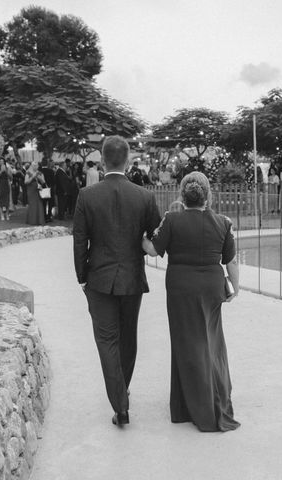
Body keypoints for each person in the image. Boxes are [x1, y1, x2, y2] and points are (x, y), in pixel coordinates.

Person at [73, 136, 162, 427]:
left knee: (107, 341)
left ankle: (121, 405)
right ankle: (121, 396)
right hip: (132, 279)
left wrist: (82, 278)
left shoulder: (87, 196)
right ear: (127, 160)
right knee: (128, 339)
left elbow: (80, 241)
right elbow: (156, 237)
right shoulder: (144, 196)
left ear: (102, 159)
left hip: (99, 280)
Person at [142, 172, 241, 432]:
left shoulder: (172, 220)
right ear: (208, 195)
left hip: (180, 288)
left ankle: (187, 405)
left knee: (186, 342)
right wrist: (235, 287)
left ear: (182, 195)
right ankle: (216, 394)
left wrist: (138, 236)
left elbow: (152, 250)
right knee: (212, 340)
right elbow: (230, 261)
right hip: (211, 287)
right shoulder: (223, 222)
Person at [24, 160, 46, 225]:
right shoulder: (28, 172)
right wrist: (33, 177)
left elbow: (43, 182)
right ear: (31, 166)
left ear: (38, 166)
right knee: (32, 205)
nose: (35, 167)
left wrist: (38, 177)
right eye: (33, 165)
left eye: (36, 165)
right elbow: (26, 182)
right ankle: (32, 221)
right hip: (31, 190)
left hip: (38, 190)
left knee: (39, 204)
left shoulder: (40, 173)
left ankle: (39, 221)